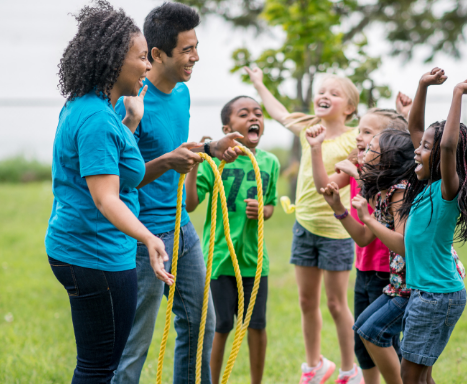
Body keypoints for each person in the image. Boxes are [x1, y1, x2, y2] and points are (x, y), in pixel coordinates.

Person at [110, 3, 244, 384]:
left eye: (196, 47)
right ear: (156, 54)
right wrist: (168, 163)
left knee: (200, 324)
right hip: (144, 238)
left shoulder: (182, 93)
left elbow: (173, 149)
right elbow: (118, 182)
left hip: (182, 231)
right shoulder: (131, 104)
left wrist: (210, 148)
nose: (195, 57)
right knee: (135, 344)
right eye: (187, 49)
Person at [46, 2, 163, 382]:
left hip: (78, 247)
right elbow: (105, 196)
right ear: (115, 60)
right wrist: (148, 237)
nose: (148, 66)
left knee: (97, 364)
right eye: (142, 57)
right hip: (96, 257)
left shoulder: (95, 107)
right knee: (99, 369)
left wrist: (131, 119)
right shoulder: (97, 118)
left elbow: (110, 162)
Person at [245, 67, 361, 383]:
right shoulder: (308, 127)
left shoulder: (355, 140)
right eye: (322, 91)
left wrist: (316, 147)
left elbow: (331, 188)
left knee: (337, 304)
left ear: (349, 108)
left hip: (337, 231)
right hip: (304, 227)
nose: (324, 95)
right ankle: (315, 367)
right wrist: (259, 83)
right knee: (306, 301)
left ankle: (351, 371)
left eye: (334, 93)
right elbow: (279, 112)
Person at [391, 69, 467, 384]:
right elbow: (413, 126)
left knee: (409, 375)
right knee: (421, 374)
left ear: (439, 157)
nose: (417, 150)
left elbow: (449, 146)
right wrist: (423, 85)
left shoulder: (446, 189)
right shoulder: (426, 183)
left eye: (425, 148)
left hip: (435, 295)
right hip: (430, 293)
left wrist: (456, 94)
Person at [185, 96, 280, 384]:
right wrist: (192, 166)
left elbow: (272, 204)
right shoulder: (213, 163)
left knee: (256, 325)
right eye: (244, 114)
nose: (254, 118)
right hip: (219, 260)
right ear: (228, 127)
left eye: (258, 113)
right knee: (220, 325)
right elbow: (190, 204)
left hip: (254, 260)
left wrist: (262, 210)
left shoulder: (270, 162)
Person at [317, 128, 414, 384]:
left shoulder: (401, 192)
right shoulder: (383, 194)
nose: (363, 150)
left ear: (388, 160)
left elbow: (405, 245)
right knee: (364, 329)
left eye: (372, 148)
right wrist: (338, 207)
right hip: (398, 283)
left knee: (375, 334)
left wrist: (368, 216)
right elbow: (363, 237)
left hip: (417, 283)